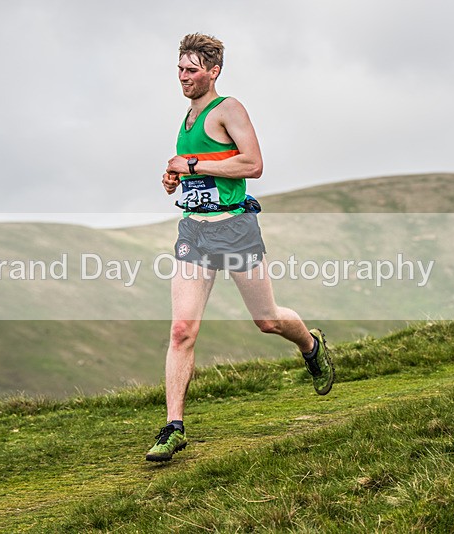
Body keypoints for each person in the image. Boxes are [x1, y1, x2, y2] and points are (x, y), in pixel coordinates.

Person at [146, 33, 335, 462]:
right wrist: (176, 178)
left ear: (213, 72)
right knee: (181, 330)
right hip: (194, 232)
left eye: (191, 70)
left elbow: (253, 164)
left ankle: (311, 345)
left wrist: (190, 164)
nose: (183, 77)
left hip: (235, 230)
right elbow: (203, 169)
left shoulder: (228, 108)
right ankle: (173, 427)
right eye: (179, 69)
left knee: (267, 320)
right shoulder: (187, 119)